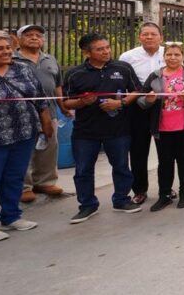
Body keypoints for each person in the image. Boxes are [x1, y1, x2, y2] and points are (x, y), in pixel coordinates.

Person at [62, 33, 144, 223]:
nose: (106, 51)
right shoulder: (75, 74)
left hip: (118, 129)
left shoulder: (123, 68)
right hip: (85, 131)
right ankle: (87, 205)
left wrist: (120, 103)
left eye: (107, 47)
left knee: (121, 166)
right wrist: (82, 102)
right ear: (86, 53)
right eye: (100, 49)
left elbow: (137, 90)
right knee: (83, 170)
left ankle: (121, 200)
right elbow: (66, 102)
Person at [0, 30, 49, 242]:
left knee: (15, 177)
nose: (6, 52)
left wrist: (45, 122)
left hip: (24, 132)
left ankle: (11, 216)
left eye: (8, 47)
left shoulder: (21, 68)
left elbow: (40, 96)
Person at [138, 42, 184, 211]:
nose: (173, 57)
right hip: (161, 127)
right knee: (164, 162)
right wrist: (148, 100)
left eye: (177, 54)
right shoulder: (155, 76)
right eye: (169, 54)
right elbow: (141, 101)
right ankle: (164, 195)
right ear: (164, 56)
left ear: (182, 56)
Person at [13, 24, 65, 203]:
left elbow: (57, 85)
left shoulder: (50, 59)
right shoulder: (12, 59)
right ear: (19, 39)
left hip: (49, 111)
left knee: (49, 147)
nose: (35, 38)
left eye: (38, 35)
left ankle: (45, 182)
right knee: (24, 150)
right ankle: (23, 186)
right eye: (29, 35)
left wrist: (62, 106)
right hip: (21, 114)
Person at [118, 21, 164, 205]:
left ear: (161, 37)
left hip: (163, 107)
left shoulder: (169, 54)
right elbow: (121, 82)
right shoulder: (128, 57)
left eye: (153, 34)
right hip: (137, 107)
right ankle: (140, 190)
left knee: (166, 150)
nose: (149, 37)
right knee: (138, 150)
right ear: (140, 37)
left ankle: (165, 188)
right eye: (145, 34)